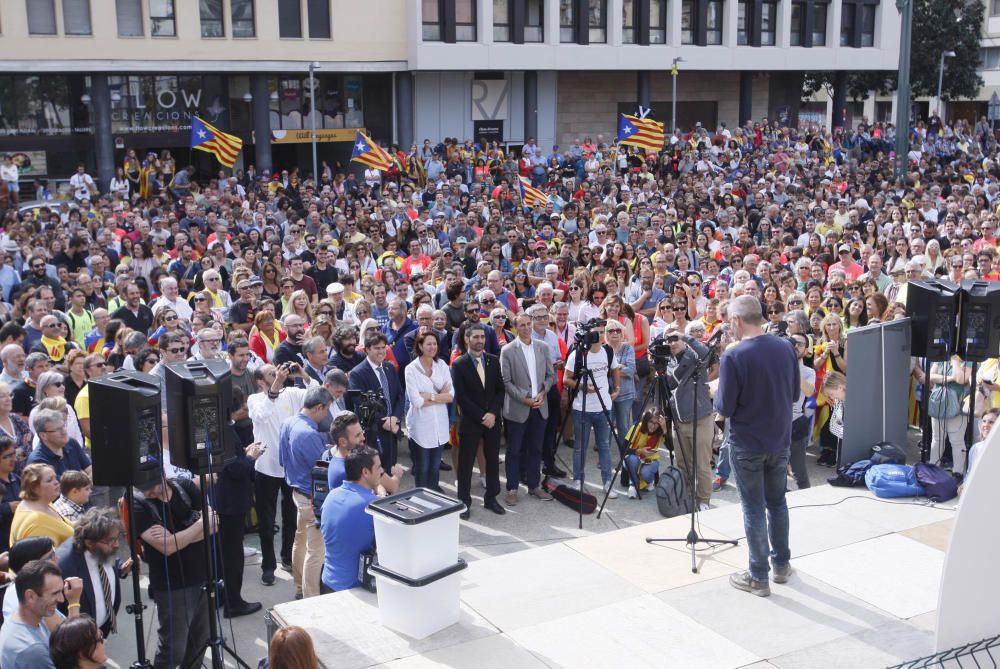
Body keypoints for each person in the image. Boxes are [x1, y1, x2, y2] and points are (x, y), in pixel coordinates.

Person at [714, 295, 799, 597]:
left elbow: (725, 406)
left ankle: (758, 576)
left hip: (747, 442)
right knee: (777, 503)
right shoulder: (786, 347)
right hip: (779, 439)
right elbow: (793, 394)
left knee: (753, 507)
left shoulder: (734, 356)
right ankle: (781, 565)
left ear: (737, 320)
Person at [131, 474, 217, 669]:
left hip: (203, 577)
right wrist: (199, 525)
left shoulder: (184, 486)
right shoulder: (138, 502)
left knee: (200, 642)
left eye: (150, 485)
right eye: (143, 488)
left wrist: (175, 539)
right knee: (173, 651)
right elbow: (166, 548)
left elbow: (214, 525)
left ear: (161, 475)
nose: (147, 492)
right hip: (173, 587)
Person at [247, 363, 314, 586]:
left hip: (289, 467)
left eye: (278, 372)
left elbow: (316, 395)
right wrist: (275, 387)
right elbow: (262, 415)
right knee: (266, 522)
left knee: (291, 517)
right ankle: (268, 565)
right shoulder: (255, 400)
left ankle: (287, 557)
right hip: (265, 468)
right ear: (260, 381)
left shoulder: (292, 394)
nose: (278, 376)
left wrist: (304, 375)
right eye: (271, 375)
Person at [278, 386, 332, 599]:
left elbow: (282, 459)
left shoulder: (288, 423)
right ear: (319, 407)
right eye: (326, 409)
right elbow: (323, 470)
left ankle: (299, 587)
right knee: (315, 552)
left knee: (299, 541)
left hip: (296, 492)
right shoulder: (309, 433)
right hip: (312, 498)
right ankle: (311, 598)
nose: (327, 414)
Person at [451, 323, 509, 518]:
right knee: (466, 463)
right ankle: (464, 502)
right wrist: (482, 416)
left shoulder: (493, 360)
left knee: (493, 460)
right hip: (471, 421)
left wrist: (492, 413)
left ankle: (491, 498)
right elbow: (461, 396)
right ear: (467, 339)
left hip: (492, 421)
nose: (479, 341)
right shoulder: (459, 364)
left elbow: (500, 390)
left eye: (482, 337)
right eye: (475, 337)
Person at [499, 313, 556, 506]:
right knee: (514, 451)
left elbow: (550, 376)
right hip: (517, 408)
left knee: (536, 449)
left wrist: (542, 392)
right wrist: (525, 399)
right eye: (521, 325)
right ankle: (512, 489)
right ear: (515, 328)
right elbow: (506, 382)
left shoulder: (543, 347)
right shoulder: (507, 351)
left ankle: (534, 485)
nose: (526, 328)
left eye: (528, 324)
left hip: (540, 407)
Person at [55, 508, 133, 638]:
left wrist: (121, 569)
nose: (117, 545)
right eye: (111, 540)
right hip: (81, 639)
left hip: (102, 630)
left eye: (117, 538)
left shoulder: (102, 550)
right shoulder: (66, 566)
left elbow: (109, 564)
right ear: (89, 542)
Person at [564, 324, 622, 498]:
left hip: (604, 407)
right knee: (580, 448)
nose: (598, 336)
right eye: (595, 334)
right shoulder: (578, 354)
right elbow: (566, 379)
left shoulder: (608, 351)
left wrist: (617, 388)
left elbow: (615, 369)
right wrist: (582, 386)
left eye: (600, 333)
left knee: (604, 446)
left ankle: (607, 483)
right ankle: (578, 480)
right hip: (582, 409)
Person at [661, 325, 715, 510]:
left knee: (702, 465)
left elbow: (706, 353)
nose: (672, 343)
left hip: (700, 419)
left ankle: (704, 500)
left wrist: (686, 336)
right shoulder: (667, 363)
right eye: (668, 339)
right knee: (683, 463)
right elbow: (664, 389)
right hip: (679, 421)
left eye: (675, 338)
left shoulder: (693, 357)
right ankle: (688, 494)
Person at [319, 446, 381, 593]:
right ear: (365, 472)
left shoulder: (331, 496)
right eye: (378, 467)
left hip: (327, 582)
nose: (381, 471)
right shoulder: (373, 507)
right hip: (353, 591)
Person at [346, 331, 403, 470]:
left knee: (390, 469)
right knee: (374, 473)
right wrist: (384, 422)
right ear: (367, 350)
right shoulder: (357, 373)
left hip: (392, 428)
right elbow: (361, 403)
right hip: (373, 431)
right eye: (377, 348)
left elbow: (399, 396)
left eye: (384, 347)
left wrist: (395, 417)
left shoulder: (389, 367)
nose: (382, 351)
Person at [404, 330, 453, 490]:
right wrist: (440, 396)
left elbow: (450, 396)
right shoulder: (411, 369)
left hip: (439, 424)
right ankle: (421, 499)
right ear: (420, 346)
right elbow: (417, 401)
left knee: (434, 468)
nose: (432, 347)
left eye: (435, 344)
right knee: (422, 468)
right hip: (421, 426)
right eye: (428, 344)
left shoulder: (442, 365)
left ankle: (433, 497)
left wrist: (429, 396)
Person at [0, 559, 63, 669]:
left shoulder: (30, 616)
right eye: (55, 593)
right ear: (30, 596)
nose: (61, 599)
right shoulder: (32, 651)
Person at [11, 464, 74, 548]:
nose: (56, 482)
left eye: (55, 478)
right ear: (34, 488)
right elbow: (43, 559)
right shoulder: (36, 522)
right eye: (49, 480)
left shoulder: (45, 503)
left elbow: (67, 525)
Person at [788, 332, 816, 490]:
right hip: (775, 423)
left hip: (795, 422)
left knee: (800, 471)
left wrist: (793, 369)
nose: (796, 346)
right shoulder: (776, 366)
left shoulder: (808, 372)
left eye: (800, 344)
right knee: (775, 469)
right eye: (793, 342)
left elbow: (809, 391)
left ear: (806, 350)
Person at [623, 409, 667, 499]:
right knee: (631, 459)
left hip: (650, 461)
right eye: (651, 422)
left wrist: (665, 429)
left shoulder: (660, 431)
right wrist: (639, 451)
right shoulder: (637, 427)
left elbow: (671, 448)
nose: (653, 426)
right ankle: (634, 484)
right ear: (646, 420)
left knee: (645, 473)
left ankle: (650, 480)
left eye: (656, 423)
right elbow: (623, 449)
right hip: (634, 459)